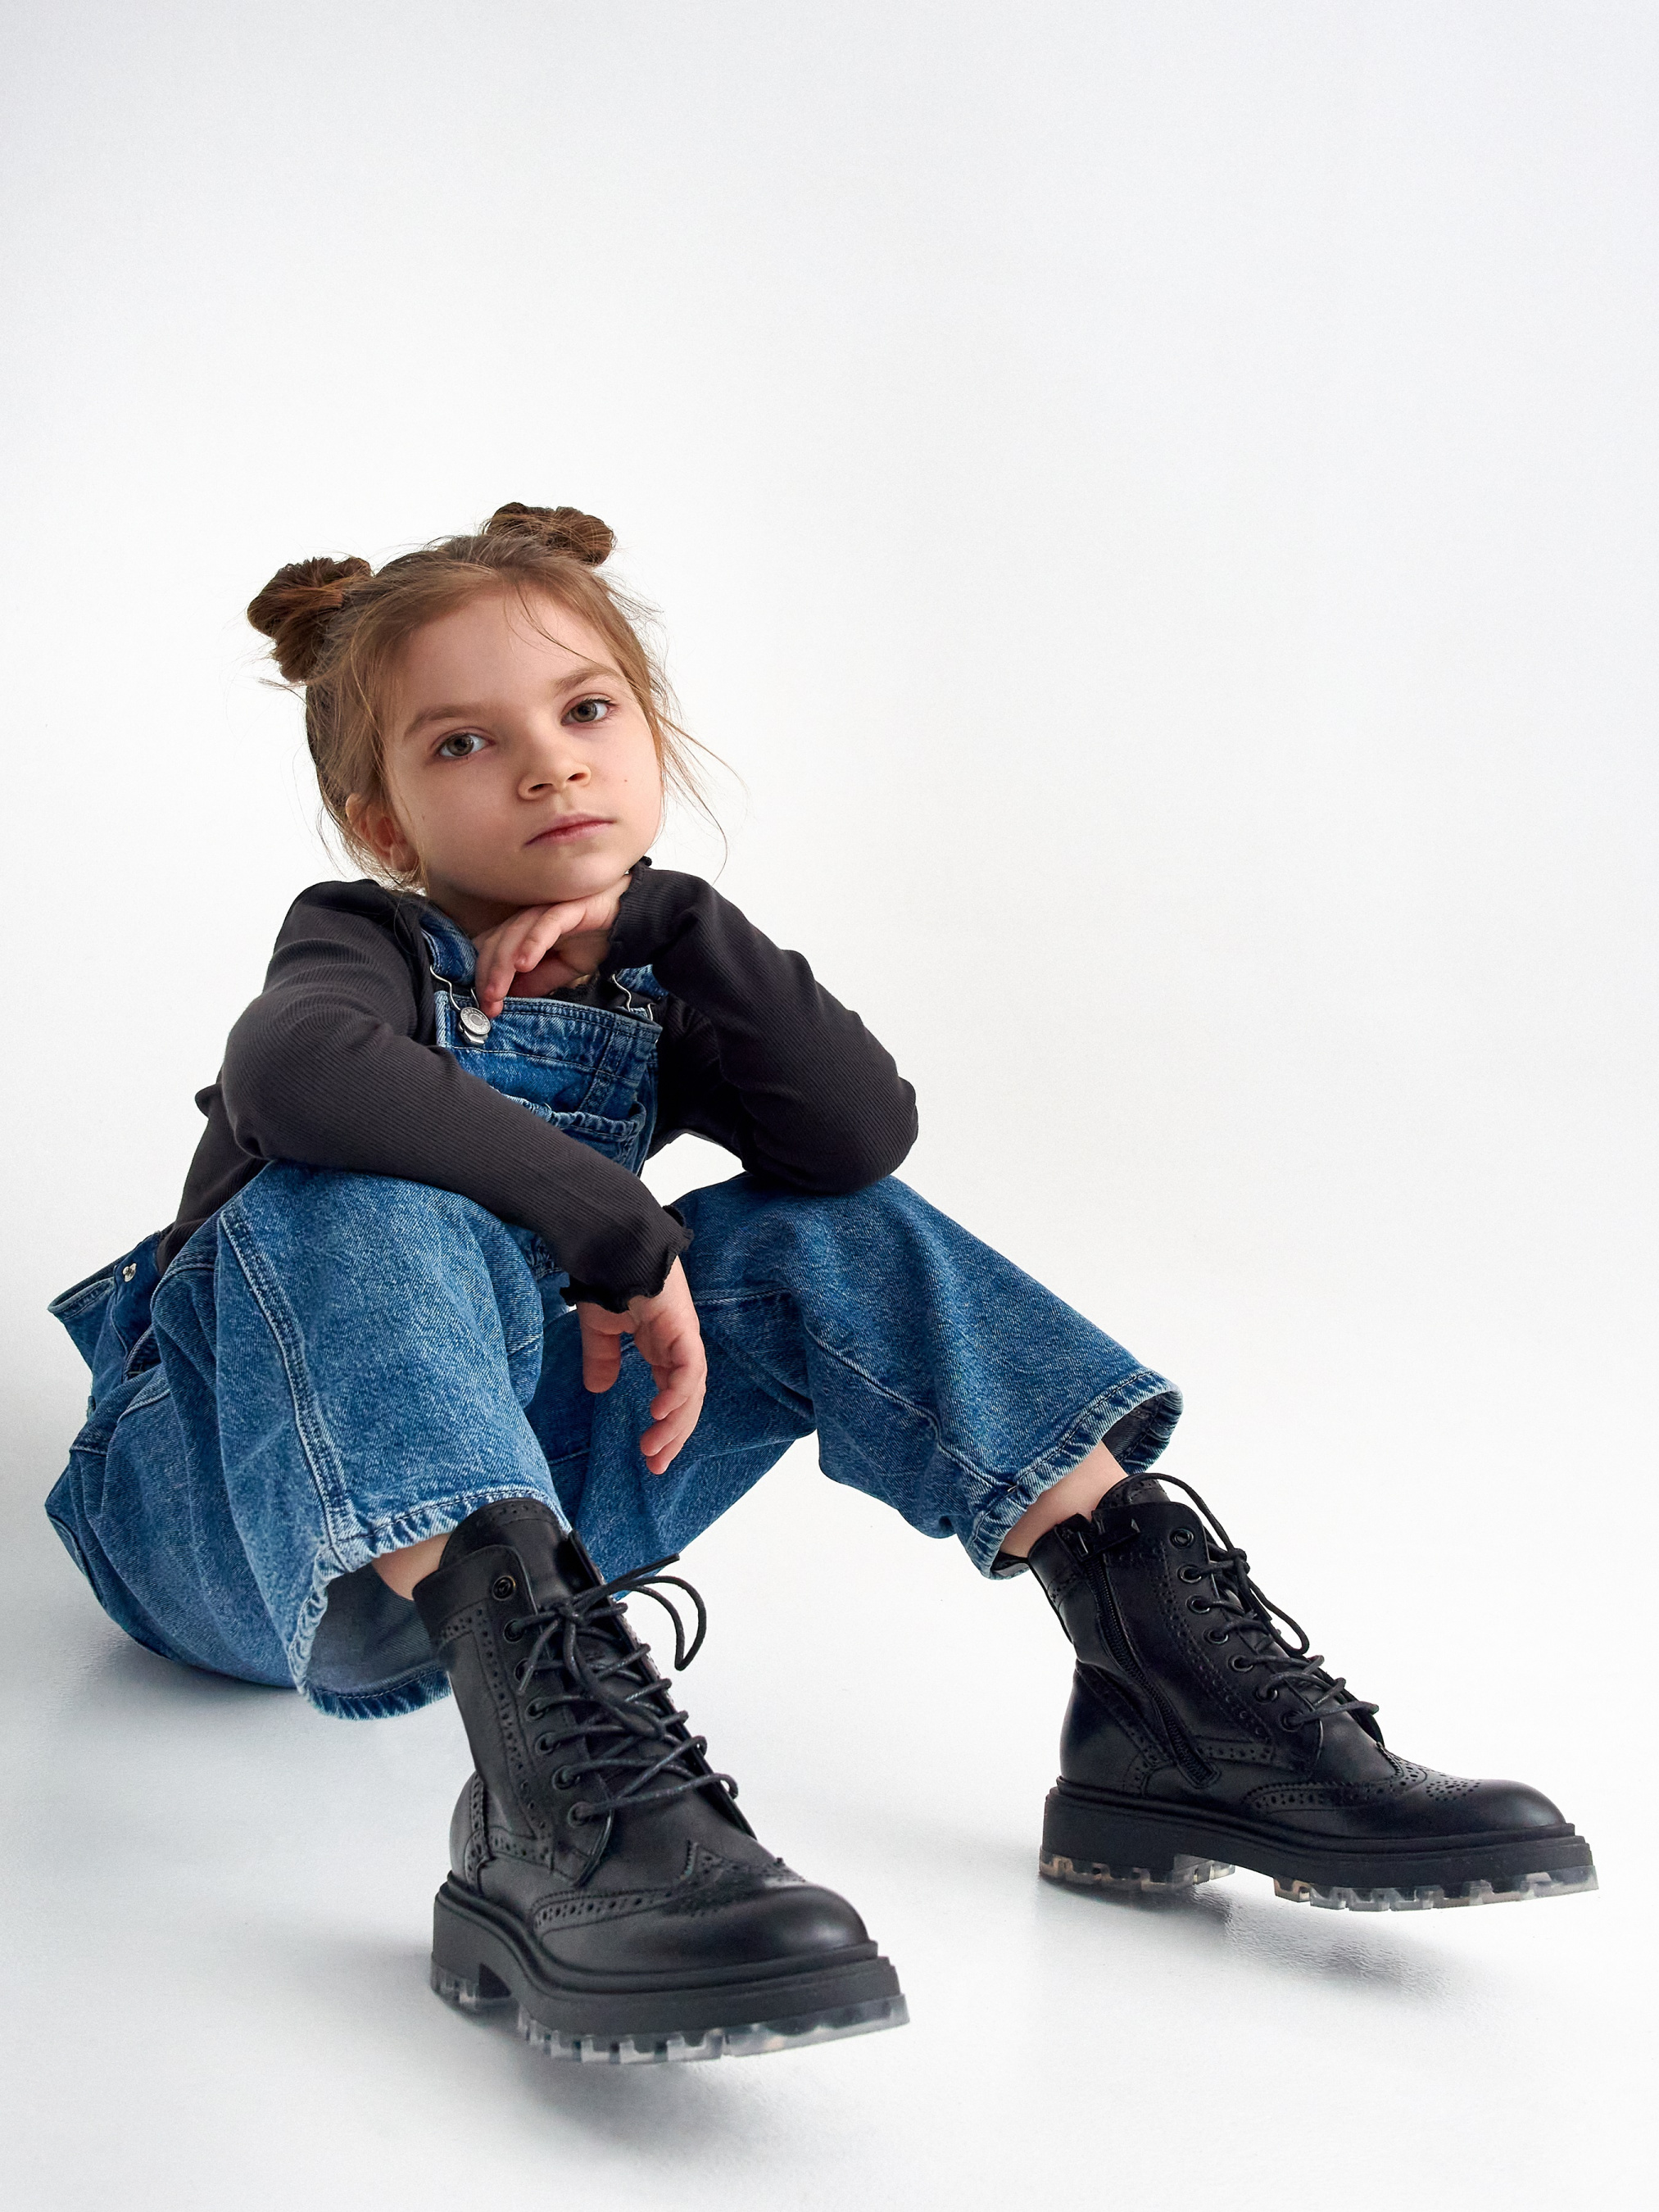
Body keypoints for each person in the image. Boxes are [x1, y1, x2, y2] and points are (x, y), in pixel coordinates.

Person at [44, 502, 1595, 2069]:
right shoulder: (363, 947)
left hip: (515, 1527)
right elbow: (296, 1071)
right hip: (223, 1530)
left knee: (826, 1226)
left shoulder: (656, 967)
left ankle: (1174, 1704)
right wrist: (611, 1223)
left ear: (652, 737)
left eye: (588, 713)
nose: (550, 768)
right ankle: (555, 1834)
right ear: (384, 824)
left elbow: (853, 1138)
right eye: (466, 743)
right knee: (355, 1195)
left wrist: (677, 922)